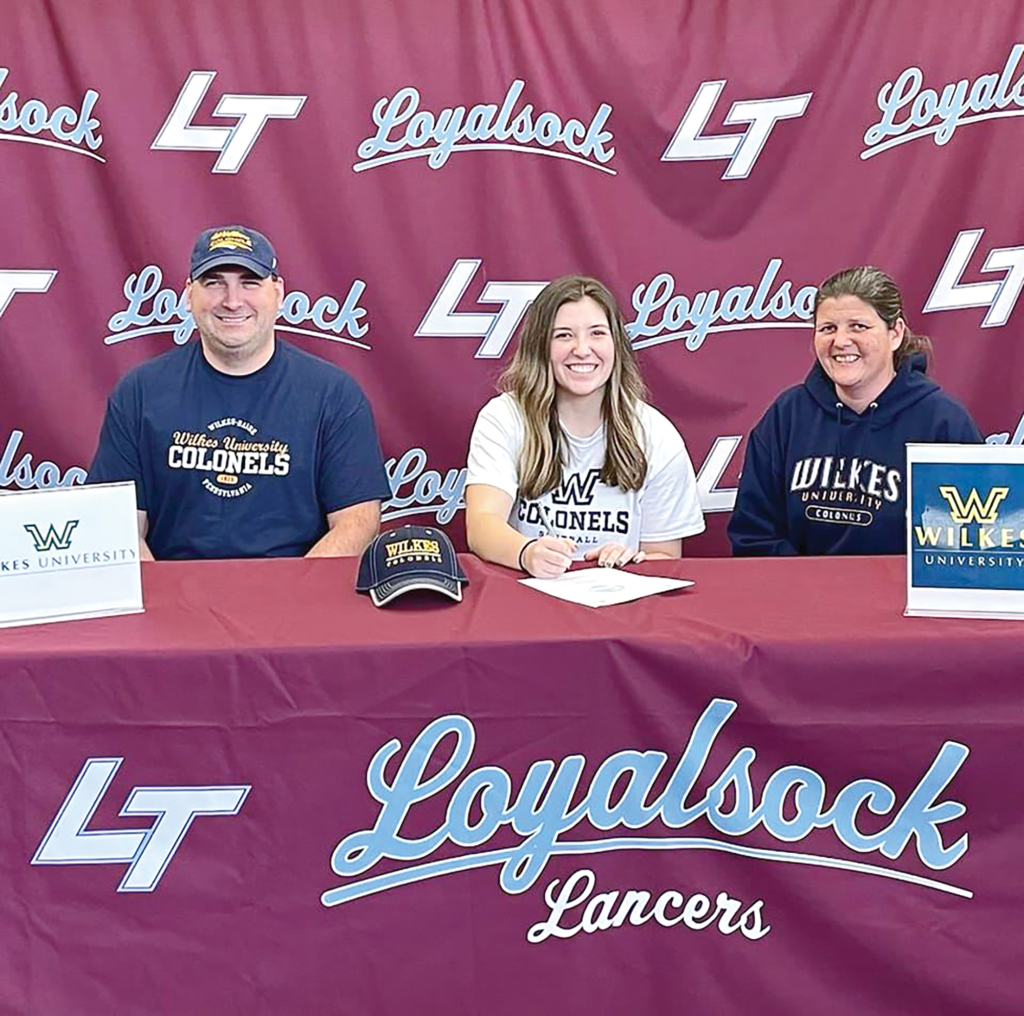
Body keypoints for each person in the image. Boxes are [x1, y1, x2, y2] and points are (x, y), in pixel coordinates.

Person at [88, 224, 391, 560]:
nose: (232, 301)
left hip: (293, 600)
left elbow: (358, 523)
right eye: (214, 282)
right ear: (189, 295)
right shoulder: (139, 393)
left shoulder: (334, 395)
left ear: (278, 293)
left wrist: (291, 601)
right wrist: (167, 604)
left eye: (249, 282)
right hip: (175, 601)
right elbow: (118, 527)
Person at [727, 265, 982, 556]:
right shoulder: (786, 416)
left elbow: (969, 546)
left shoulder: (943, 423)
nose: (841, 341)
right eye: (827, 329)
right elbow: (753, 534)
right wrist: (810, 591)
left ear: (895, 333)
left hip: (901, 599)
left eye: (858, 326)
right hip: (801, 597)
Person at [465, 274, 705, 577]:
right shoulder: (504, 417)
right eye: (563, 335)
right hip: (525, 598)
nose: (582, 349)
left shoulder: (655, 433)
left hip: (619, 608)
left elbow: (665, 557)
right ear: (540, 346)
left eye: (597, 333)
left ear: (616, 344)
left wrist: (630, 562)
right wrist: (526, 553)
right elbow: (482, 523)